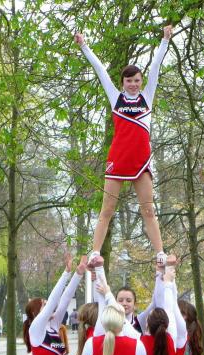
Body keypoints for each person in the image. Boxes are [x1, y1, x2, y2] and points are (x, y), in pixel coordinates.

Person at [75, 26, 173, 267]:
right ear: (122, 82)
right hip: (118, 160)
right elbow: (100, 70)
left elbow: (156, 67)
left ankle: (160, 252)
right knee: (107, 209)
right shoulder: (116, 98)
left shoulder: (147, 97)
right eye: (129, 81)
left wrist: (165, 40)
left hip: (141, 162)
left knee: (148, 210)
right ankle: (95, 252)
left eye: (137, 80)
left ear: (141, 81)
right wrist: (84, 45)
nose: (133, 84)